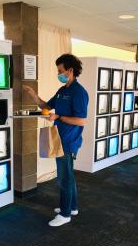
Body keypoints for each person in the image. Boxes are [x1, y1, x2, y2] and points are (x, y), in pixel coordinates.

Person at [23, 54, 89, 227]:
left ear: (70, 70)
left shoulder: (79, 92)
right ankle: (72, 207)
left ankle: (65, 214)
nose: (58, 74)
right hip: (59, 138)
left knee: (64, 178)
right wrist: (33, 95)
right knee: (68, 176)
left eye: (60, 71)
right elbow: (46, 106)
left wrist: (58, 117)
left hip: (69, 141)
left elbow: (81, 120)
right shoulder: (63, 90)